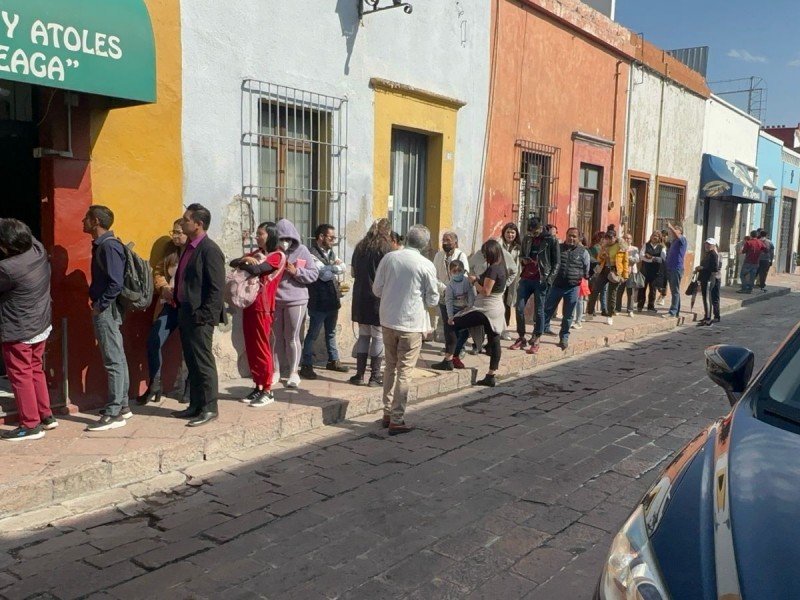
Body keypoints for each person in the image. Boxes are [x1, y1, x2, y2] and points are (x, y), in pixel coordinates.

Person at [372, 224, 439, 435]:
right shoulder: (426, 265)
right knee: (405, 372)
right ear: (425, 244)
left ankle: (386, 412)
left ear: (407, 239)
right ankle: (397, 418)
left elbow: (377, 289)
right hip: (411, 324)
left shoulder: (390, 258)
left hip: (388, 320)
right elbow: (433, 298)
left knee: (390, 367)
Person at [0, 219, 57, 441]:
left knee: (20, 375)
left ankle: (30, 424)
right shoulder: (38, 249)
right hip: (40, 324)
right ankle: (46, 415)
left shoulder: (8, 269)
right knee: (35, 369)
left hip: (19, 329)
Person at [171, 203, 226, 427]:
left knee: (203, 363)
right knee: (191, 362)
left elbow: (216, 288)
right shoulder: (190, 248)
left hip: (200, 317)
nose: (182, 222)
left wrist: (205, 315)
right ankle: (195, 405)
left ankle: (210, 407)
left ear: (198, 224)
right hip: (185, 312)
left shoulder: (209, 250)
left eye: (186, 219)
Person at [83, 205, 131, 431]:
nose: (82, 221)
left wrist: (99, 306)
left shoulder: (108, 247)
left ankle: (114, 412)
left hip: (107, 309)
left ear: (95, 221)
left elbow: (115, 283)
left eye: (86, 218)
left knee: (113, 359)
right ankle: (122, 406)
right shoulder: (105, 245)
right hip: (108, 308)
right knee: (117, 357)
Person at [229, 221, 286, 407]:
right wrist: (246, 260)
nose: (257, 236)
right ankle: (258, 385)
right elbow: (234, 262)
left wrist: (246, 262)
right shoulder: (255, 254)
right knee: (251, 347)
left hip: (264, 306)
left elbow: (257, 270)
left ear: (270, 235)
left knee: (262, 348)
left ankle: (267, 390)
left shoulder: (277, 256)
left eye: (260, 233)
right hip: (250, 305)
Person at [137, 220, 187, 405]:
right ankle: (155, 385)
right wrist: (163, 286)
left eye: (179, 232)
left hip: (187, 306)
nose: (175, 236)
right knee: (154, 340)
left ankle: (189, 387)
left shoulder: (194, 252)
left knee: (189, 346)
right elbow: (157, 272)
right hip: (169, 304)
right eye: (173, 232)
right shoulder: (169, 251)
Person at [272, 219, 319, 388]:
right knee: (276, 337)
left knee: (292, 337)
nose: (285, 242)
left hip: (296, 299)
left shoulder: (302, 251)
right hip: (275, 299)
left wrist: (296, 271)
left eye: (288, 238)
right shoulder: (273, 251)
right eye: (281, 238)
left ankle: (293, 372)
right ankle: (276, 370)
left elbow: (313, 274)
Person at [455, 239, 508, 386]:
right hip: (496, 307)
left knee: (455, 322)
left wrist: (473, 282)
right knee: (494, 338)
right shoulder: (501, 267)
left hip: (486, 308)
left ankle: (451, 356)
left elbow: (485, 291)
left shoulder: (494, 269)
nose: (484, 256)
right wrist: (477, 278)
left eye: (485, 253)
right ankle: (491, 374)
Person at [299, 224, 348, 380]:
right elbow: (323, 275)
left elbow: (344, 267)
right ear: (321, 237)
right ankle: (306, 364)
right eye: (331, 237)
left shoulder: (330, 252)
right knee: (312, 334)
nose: (333, 240)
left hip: (332, 299)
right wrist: (334, 267)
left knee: (331, 332)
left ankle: (333, 360)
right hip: (318, 300)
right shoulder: (311, 254)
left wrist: (332, 267)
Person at [350, 219, 392, 387]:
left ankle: (359, 375)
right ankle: (375, 376)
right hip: (377, 297)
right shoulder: (386, 248)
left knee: (364, 334)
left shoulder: (360, 246)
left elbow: (353, 272)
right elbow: (389, 276)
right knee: (378, 336)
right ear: (387, 231)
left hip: (360, 296)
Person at [511, 217, 560, 354]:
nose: (534, 235)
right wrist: (523, 261)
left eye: (536, 232)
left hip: (541, 279)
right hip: (526, 278)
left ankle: (537, 337)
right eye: (532, 232)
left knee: (539, 310)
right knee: (519, 308)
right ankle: (521, 337)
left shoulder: (551, 240)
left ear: (541, 227)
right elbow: (522, 255)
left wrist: (549, 279)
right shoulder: (527, 239)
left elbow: (556, 263)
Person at [543, 227, 590, 351]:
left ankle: (564, 337)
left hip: (573, 287)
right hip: (557, 285)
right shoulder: (558, 248)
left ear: (579, 238)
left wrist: (582, 278)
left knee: (568, 315)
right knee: (547, 310)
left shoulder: (583, 252)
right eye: (570, 235)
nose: (571, 238)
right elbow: (550, 262)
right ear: (566, 235)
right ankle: (538, 333)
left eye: (574, 236)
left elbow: (587, 268)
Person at [430, 259, 475, 371]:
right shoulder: (450, 286)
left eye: (459, 270)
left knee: (464, 334)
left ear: (463, 271)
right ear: (450, 272)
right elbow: (448, 302)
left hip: (464, 310)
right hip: (453, 311)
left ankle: (454, 356)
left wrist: (469, 307)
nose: (457, 273)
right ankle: (448, 360)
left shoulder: (466, 282)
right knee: (452, 334)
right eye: (454, 271)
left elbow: (471, 294)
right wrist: (450, 316)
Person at [432, 231, 468, 345]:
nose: (445, 243)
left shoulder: (461, 255)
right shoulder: (438, 256)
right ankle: (449, 347)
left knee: (458, 323)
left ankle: (459, 348)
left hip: (458, 297)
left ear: (455, 242)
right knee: (447, 323)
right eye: (444, 240)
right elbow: (434, 276)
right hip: (444, 296)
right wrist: (444, 289)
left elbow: (465, 274)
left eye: (448, 240)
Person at [586, 230, 628, 325]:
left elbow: (625, 262)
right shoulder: (604, 246)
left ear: (615, 237)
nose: (609, 240)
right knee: (595, 290)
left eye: (611, 238)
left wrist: (625, 275)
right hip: (604, 270)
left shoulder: (621, 247)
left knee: (612, 294)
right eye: (607, 238)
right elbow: (598, 259)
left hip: (616, 271)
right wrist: (602, 257)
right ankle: (589, 312)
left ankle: (610, 315)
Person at [500, 222, 521, 340]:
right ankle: (496, 329)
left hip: (512, 279)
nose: (510, 235)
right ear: (504, 233)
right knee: (498, 303)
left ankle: (505, 329)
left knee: (508, 303)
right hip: (499, 278)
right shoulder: (498, 244)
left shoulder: (518, 247)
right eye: (508, 232)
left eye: (512, 232)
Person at [663, 222, 687, 318]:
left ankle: (672, 311)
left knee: (675, 290)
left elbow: (677, 235)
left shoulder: (682, 239)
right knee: (674, 290)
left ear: (680, 231)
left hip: (676, 268)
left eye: (676, 229)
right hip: (670, 267)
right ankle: (676, 310)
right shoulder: (674, 241)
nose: (673, 231)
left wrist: (671, 226)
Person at [637, 231, 666, 313]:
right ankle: (640, 306)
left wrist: (652, 258)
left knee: (653, 290)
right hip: (645, 270)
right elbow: (641, 256)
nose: (655, 237)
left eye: (657, 236)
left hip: (655, 272)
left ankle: (651, 307)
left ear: (659, 238)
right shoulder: (646, 245)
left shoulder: (662, 247)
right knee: (642, 289)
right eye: (653, 235)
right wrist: (651, 259)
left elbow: (662, 259)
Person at [696, 237, 721, 327]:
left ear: (713, 245)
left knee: (708, 299)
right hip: (704, 278)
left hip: (710, 279)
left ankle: (708, 319)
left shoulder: (714, 254)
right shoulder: (707, 254)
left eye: (709, 244)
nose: (707, 245)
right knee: (705, 298)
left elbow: (715, 268)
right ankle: (707, 315)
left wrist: (703, 268)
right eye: (706, 244)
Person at [616, 232, 640, 318]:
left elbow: (636, 259)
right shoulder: (619, 248)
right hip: (621, 272)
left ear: (631, 240)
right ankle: (617, 308)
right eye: (625, 238)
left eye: (628, 238)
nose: (626, 240)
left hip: (631, 272)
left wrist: (627, 257)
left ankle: (630, 310)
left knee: (630, 292)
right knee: (619, 291)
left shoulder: (634, 249)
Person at [737, 230, 763, 294]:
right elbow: (766, 249)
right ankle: (750, 289)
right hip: (756, 262)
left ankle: (744, 288)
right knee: (752, 276)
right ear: (757, 235)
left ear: (751, 235)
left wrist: (739, 252)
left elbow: (744, 251)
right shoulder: (760, 242)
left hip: (748, 261)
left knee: (742, 275)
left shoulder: (748, 242)